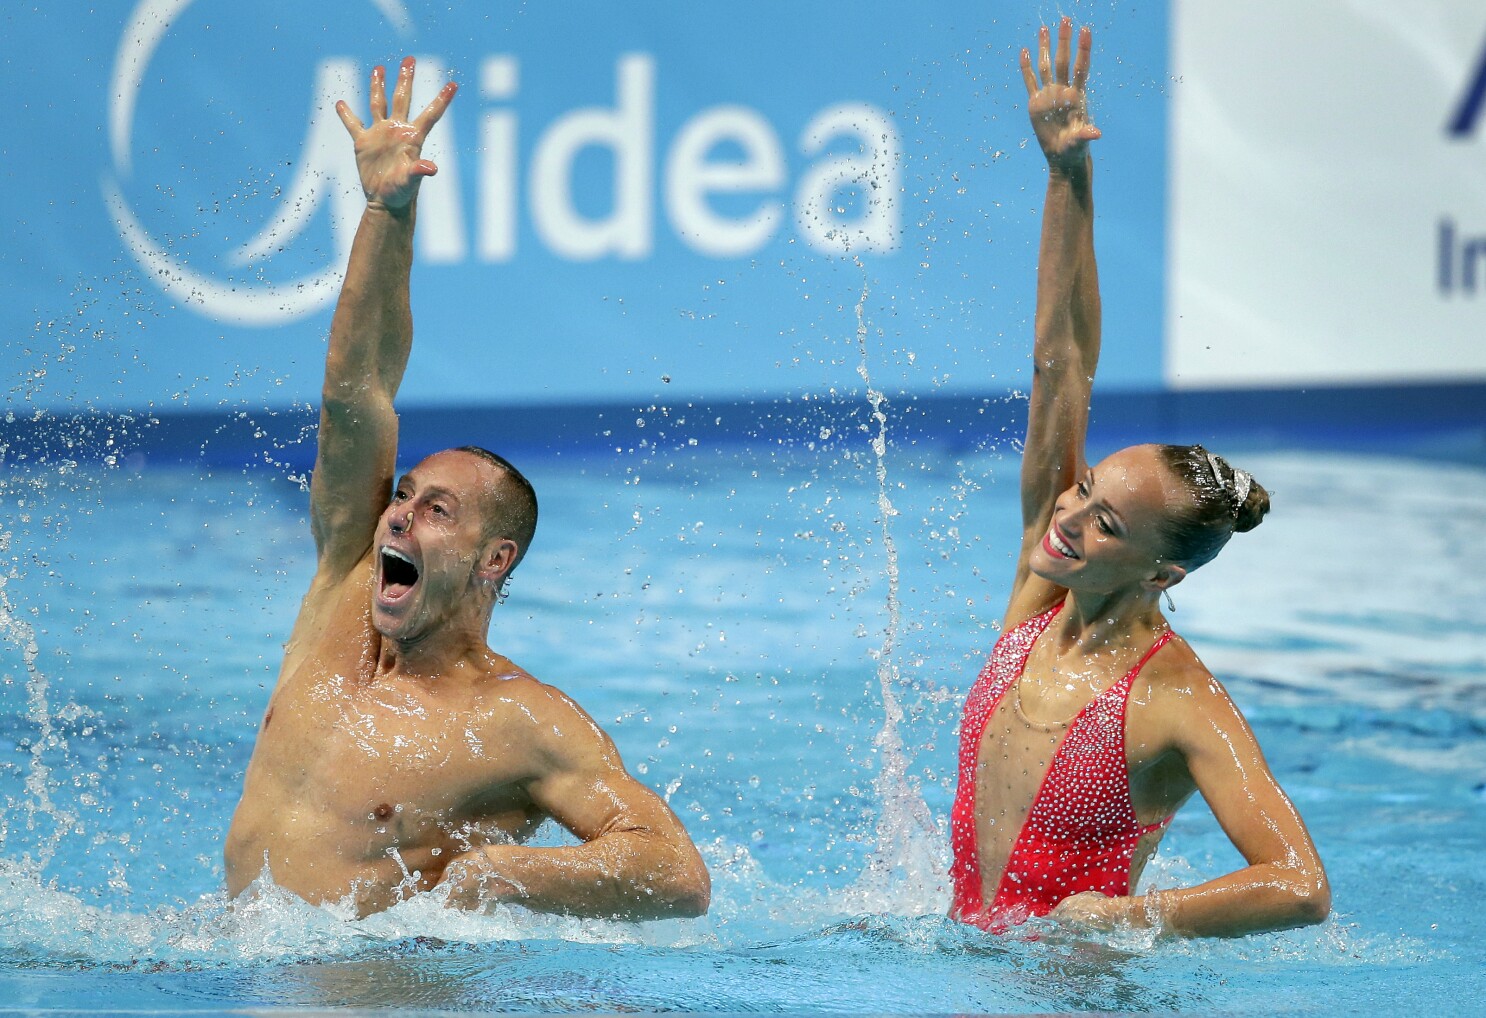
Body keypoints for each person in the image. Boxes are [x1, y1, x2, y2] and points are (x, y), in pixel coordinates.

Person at [223, 57, 710, 920]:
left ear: (494, 559)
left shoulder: (519, 722)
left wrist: (499, 872)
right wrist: (385, 209)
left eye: (434, 511)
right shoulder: (343, 582)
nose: (398, 516)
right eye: (403, 497)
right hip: (238, 974)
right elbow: (355, 390)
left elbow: (676, 876)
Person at [947, 20, 1329, 937]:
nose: (1071, 518)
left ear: (1164, 574)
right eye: (1086, 492)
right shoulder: (1044, 590)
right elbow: (1060, 364)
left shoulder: (1175, 698)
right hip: (967, 972)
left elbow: (1300, 884)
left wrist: (1137, 914)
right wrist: (1065, 177)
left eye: (1110, 524)